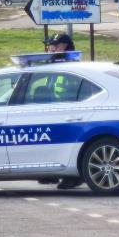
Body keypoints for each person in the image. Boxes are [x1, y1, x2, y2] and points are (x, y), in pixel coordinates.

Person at [42, 33, 83, 190]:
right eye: (50, 45)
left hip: (70, 114)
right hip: (55, 112)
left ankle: (73, 177)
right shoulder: (53, 67)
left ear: (67, 47)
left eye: (55, 45)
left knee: (70, 146)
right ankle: (52, 173)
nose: (50, 48)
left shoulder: (71, 68)